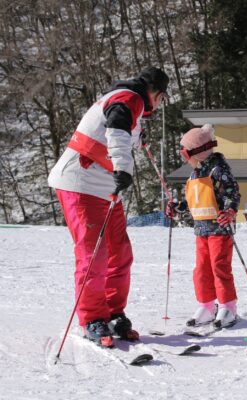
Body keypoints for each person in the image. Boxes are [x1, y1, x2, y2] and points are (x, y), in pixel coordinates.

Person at [48, 67, 169, 347]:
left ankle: (114, 312)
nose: (160, 105)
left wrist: (138, 139)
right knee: (94, 254)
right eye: (162, 99)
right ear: (157, 94)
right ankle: (92, 317)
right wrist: (123, 167)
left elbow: (121, 130)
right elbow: (115, 127)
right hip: (80, 182)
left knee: (120, 251)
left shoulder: (129, 104)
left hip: (104, 188)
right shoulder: (130, 98)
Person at [167, 124, 241, 329]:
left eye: (185, 153)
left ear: (198, 152)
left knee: (219, 267)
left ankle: (228, 307)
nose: (184, 158)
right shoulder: (195, 174)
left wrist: (230, 211)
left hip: (219, 228)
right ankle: (207, 305)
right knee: (201, 269)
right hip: (201, 230)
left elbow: (232, 193)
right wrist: (178, 207)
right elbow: (194, 203)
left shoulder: (219, 169)